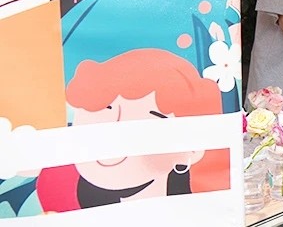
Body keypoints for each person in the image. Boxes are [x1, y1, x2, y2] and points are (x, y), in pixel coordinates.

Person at [36, 49, 229, 211]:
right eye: (105, 109)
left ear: (192, 151)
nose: (113, 134)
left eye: (149, 122)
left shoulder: (204, 212)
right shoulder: (56, 200)